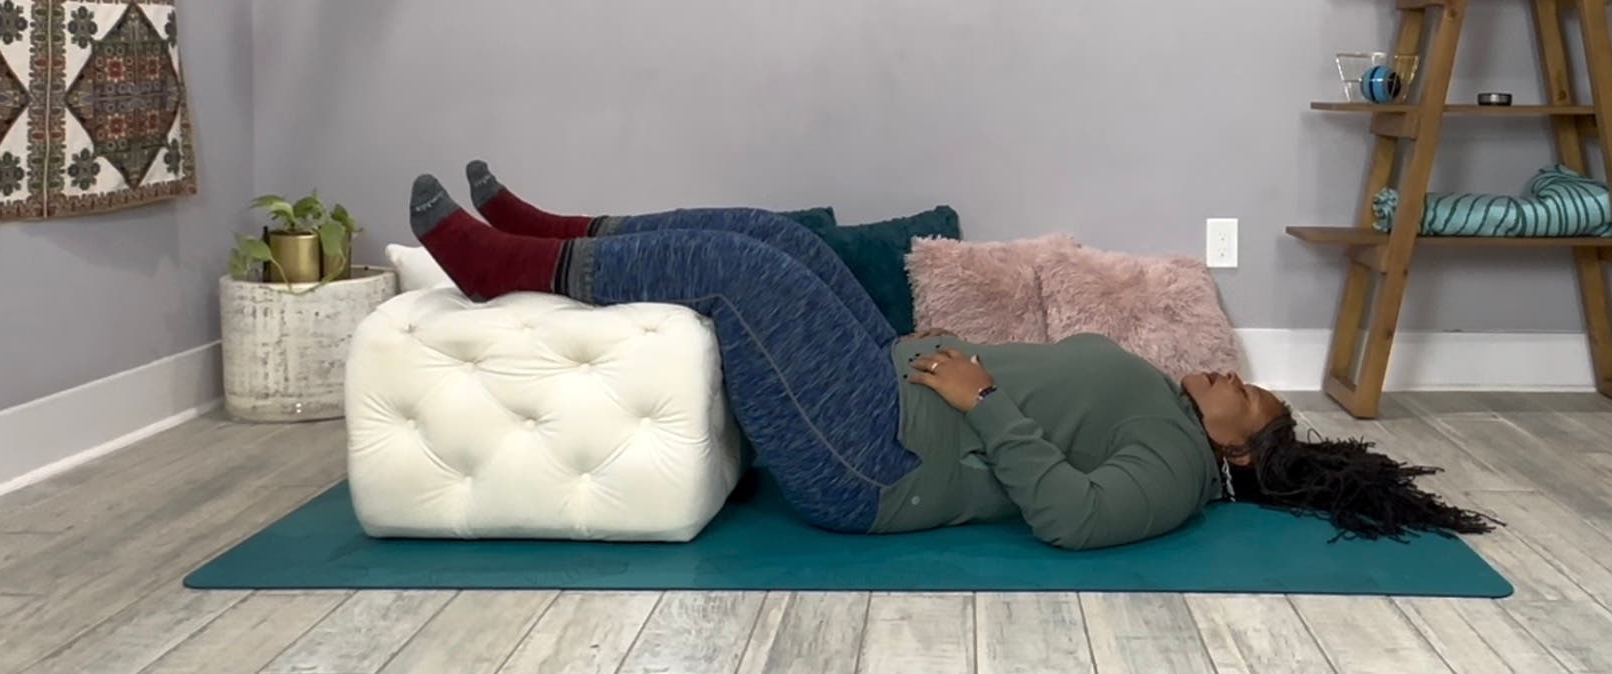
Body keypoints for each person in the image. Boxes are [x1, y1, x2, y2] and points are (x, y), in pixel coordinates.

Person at [408, 163, 1498, 550]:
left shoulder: (1175, 476)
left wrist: (983, 399)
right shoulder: (1171, 414)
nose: (1228, 375)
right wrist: (955, 358)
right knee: (773, 237)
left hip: (872, 463)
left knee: (740, 274)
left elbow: (1073, 518)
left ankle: (505, 267)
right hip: (888, 384)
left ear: (1242, 455)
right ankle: (559, 234)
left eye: (1243, 395)